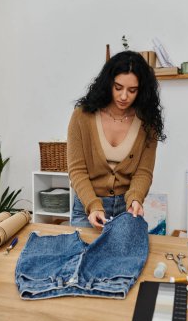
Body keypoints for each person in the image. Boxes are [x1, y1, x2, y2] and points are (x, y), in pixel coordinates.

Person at [67, 50, 166, 229]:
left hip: (126, 209)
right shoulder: (82, 116)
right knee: (82, 256)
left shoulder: (147, 122)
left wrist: (135, 198)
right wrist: (93, 205)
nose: (123, 96)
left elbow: (143, 172)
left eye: (132, 90)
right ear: (108, 83)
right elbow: (77, 170)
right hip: (87, 208)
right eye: (118, 87)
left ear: (141, 90)